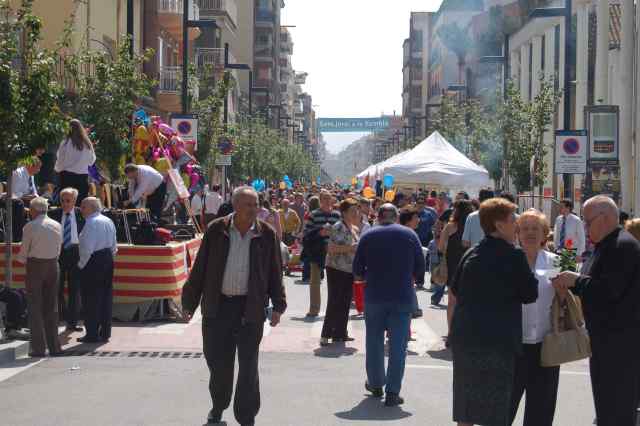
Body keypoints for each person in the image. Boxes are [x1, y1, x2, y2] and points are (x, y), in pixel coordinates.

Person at [181, 186, 286, 426]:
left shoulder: (266, 234)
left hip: (251, 308)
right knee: (218, 363)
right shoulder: (216, 229)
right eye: (249, 204)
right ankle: (218, 406)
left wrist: (279, 305)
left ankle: (246, 417)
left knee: (248, 366)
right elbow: (200, 267)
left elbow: (275, 271)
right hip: (218, 308)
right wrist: (189, 303)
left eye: (256, 204)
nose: (254, 209)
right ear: (236, 205)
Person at [552, 195, 640, 426]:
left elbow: (609, 290)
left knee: (617, 411)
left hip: (619, 346)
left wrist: (576, 281)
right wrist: (571, 284)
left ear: (604, 218)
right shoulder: (606, 245)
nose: (584, 226)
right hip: (605, 342)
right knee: (607, 408)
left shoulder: (622, 246)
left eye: (588, 221)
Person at [449, 197, 538, 426]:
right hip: (498, 343)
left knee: (466, 408)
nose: (517, 225)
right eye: (513, 220)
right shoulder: (514, 255)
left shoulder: (471, 253)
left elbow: (455, 291)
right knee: (495, 409)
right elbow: (530, 294)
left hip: (466, 338)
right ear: (499, 225)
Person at [353, 204, 425, 407]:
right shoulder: (410, 235)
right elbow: (420, 266)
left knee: (374, 342)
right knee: (398, 346)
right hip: (401, 296)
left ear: (378, 217)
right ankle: (393, 392)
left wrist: (366, 276)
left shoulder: (368, 236)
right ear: (396, 216)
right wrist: (412, 277)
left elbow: (357, 268)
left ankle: (376, 384)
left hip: (374, 296)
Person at [510, 209, 562, 426]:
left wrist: (565, 290)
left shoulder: (559, 261)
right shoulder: (507, 260)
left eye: (535, 228)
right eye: (525, 229)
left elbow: (574, 298)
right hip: (512, 345)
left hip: (547, 344)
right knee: (503, 409)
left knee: (541, 411)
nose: (530, 233)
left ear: (544, 233)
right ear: (517, 234)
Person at [16, 197, 63, 357]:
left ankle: (38, 348)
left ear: (34, 210)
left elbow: (24, 251)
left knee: (34, 306)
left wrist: (21, 260)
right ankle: (54, 346)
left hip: (35, 265)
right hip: (53, 264)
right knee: (51, 306)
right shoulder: (57, 225)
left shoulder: (30, 226)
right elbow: (59, 248)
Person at [77, 197, 117, 343]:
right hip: (107, 258)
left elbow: (87, 248)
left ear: (92, 207)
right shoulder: (108, 220)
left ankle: (92, 333)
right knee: (106, 296)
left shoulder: (91, 222)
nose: (81, 210)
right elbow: (114, 245)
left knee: (91, 298)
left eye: (83, 207)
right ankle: (105, 332)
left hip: (93, 261)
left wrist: (81, 265)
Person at [320, 198, 360, 346]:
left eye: (356, 210)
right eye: (352, 211)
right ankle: (325, 334)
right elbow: (331, 248)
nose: (356, 213)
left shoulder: (353, 228)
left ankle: (340, 333)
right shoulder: (338, 226)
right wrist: (350, 248)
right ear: (344, 213)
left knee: (345, 302)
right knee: (334, 301)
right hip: (336, 268)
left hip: (348, 269)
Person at [433, 200, 474, 328]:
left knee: (452, 301)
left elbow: (440, 247)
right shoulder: (473, 226)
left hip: (453, 266)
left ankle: (451, 331)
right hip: (470, 265)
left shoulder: (450, 226)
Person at [50, 188, 85, 332]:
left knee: (74, 289)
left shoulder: (82, 214)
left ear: (74, 201)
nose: (64, 204)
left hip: (75, 253)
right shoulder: (53, 214)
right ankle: (59, 318)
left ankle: (72, 322)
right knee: (57, 288)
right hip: (58, 252)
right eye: (62, 200)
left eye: (68, 201)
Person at [302, 190, 340, 317]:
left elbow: (342, 232)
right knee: (314, 281)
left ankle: (334, 309)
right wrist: (319, 233)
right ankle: (314, 309)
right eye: (324, 198)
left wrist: (332, 233)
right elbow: (307, 233)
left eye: (329, 198)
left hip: (334, 250)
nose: (327, 201)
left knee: (334, 281)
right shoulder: (313, 215)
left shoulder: (337, 215)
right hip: (317, 251)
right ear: (320, 200)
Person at [54, 119, 96, 204]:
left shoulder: (65, 142)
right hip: (82, 178)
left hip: (66, 178)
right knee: (80, 204)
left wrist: (57, 169)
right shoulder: (87, 143)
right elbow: (92, 161)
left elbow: (60, 159)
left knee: (66, 204)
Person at [4, 159, 41, 242]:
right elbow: (13, 193)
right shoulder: (17, 173)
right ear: (30, 166)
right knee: (19, 204)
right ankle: (19, 237)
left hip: (29, 201)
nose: (38, 171)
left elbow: (34, 191)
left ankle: (38, 235)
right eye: (38, 168)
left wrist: (38, 198)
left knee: (45, 204)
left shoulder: (31, 175)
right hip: (18, 202)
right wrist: (27, 197)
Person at [399, 207, 423, 319]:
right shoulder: (409, 234)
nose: (418, 220)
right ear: (408, 221)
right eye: (416, 217)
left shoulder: (405, 232)